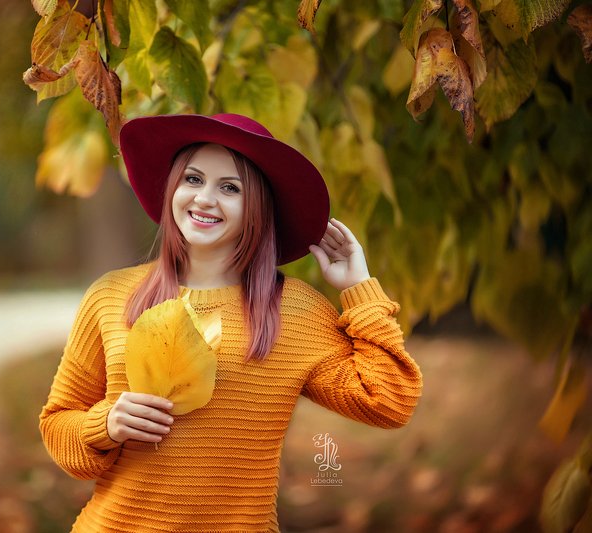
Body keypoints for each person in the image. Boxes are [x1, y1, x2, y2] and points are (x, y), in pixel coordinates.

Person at [39, 113, 423, 532]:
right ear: (172, 188)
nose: (205, 198)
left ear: (257, 206)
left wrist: (359, 288)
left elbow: (389, 401)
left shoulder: (294, 311)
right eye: (192, 179)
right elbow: (59, 424)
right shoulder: (111, 295)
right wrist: (106, 425)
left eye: (229, 188)